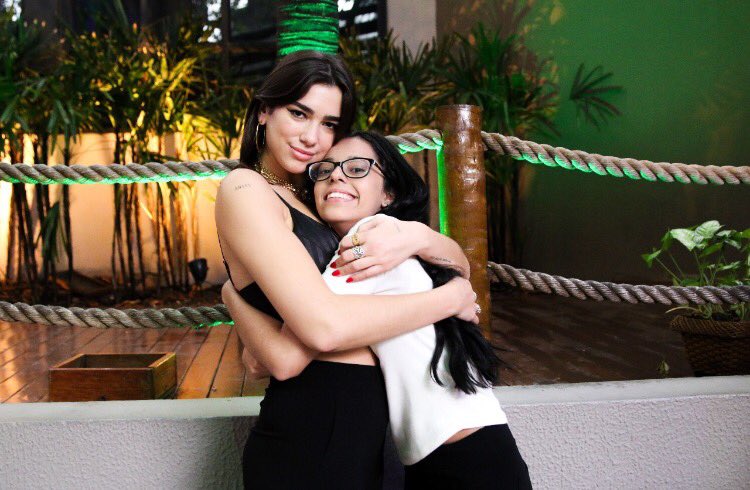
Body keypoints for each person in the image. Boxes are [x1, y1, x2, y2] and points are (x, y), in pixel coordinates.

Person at [215, 51, 480, 489]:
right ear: (264, 110)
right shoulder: (246, 188)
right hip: (313, 430)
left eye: (329, 124)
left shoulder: (319, 193)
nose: (312, 137)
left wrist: (418, 236)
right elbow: (322, 329)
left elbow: (458, 264)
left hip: (373, 427)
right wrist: (446, 299)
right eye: (299, 113)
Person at [224, 131, 533, 489]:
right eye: (324, 170)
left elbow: (277, 358)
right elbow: (461, 267)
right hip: (471, 448)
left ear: (389, 193)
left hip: (463, 462)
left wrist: (231, 293)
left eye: (357, 168)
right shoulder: (399, 240)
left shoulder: (362, 247)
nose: (336, 176)